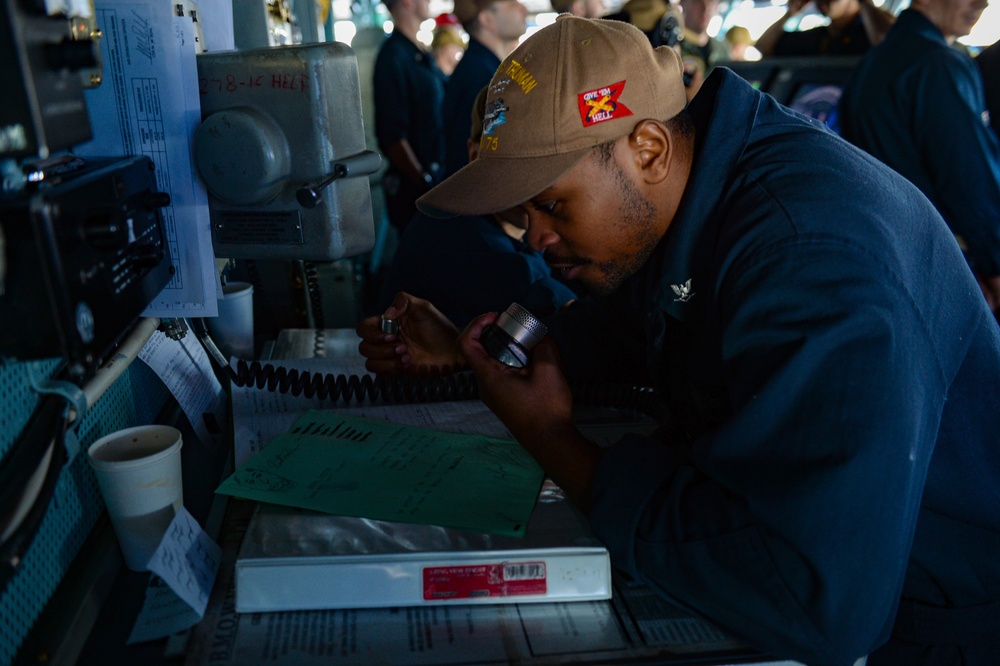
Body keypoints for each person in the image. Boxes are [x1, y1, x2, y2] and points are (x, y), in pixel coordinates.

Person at [358, 16, 1000, 665]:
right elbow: (614, 334)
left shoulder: (810, 262)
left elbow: (815, 603)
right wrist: (476, 354)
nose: (533, 237)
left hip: (935, 619)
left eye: (551, 206)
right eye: (520, 215)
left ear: (648, 149)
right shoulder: (694, 204)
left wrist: (555, 443)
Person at [839, 0, 1000, 313]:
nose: (982, 2)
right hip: (948, 268)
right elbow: (971, 183)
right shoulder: (939, 64)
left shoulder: (872, 63)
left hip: (889, 265)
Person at [375, 87, 577, 327]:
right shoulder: (461, 239)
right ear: (474, 155)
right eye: (513, 158)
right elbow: (559, 310)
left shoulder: (495, 220)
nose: (531, 179)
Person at [372, 0, 446, 234]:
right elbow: (392, 135)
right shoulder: (393, 57)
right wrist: (423, 182)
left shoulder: (420, 53)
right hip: (416, 195)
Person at [441, 0, 528, 178]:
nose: (523, 9)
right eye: (512, 3)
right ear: (487, 19)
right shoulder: (481, 77)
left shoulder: (482, 68)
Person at [755, 0, 894, 57]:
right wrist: (790, 13)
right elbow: (764, 47)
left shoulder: (871, 32)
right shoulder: (821, 36)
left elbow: (890, 46)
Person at [678, 0, 730, 86]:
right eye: (697, 2)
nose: (706, 9)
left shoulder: (723, 49)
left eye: (711, 2)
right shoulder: (671, 46)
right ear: (682, 3)